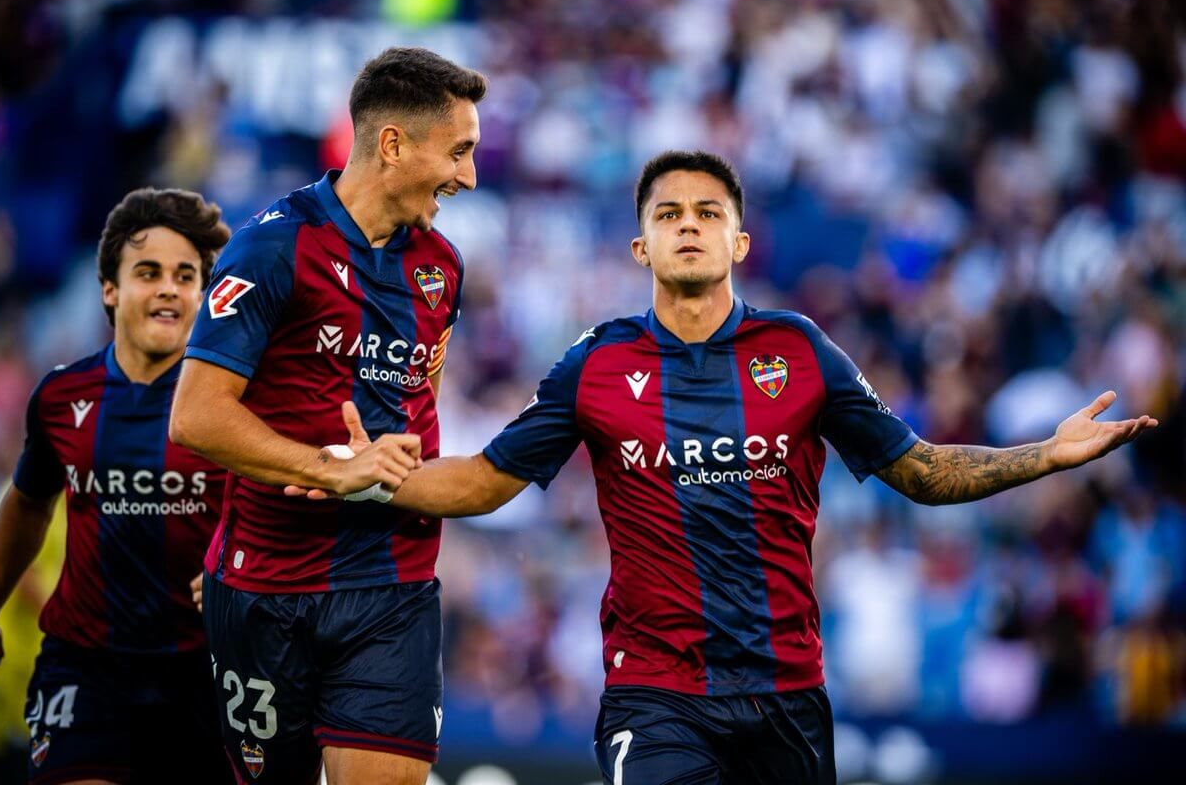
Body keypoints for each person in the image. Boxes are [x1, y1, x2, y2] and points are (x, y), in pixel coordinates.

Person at [302, 150, 1158, 785]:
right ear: (640, 247)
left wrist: (1045, 455)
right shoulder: (595, 364)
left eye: (707, 212)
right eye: (668, 213)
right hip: (654, 693)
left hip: (787, 692)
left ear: (739, 240)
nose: (687, 224)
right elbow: (485, 481)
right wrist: (367, 474)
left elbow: (922, 471)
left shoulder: (801, 352)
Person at [169, 47, 485, 785]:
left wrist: (402, 478)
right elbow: (196, 416)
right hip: (266, 584)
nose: (469, 176)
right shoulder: (272, 247)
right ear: (393, 144)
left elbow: (418, 406)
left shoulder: (442, 268)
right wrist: (326, 469)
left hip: (393, 584)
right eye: (458, 152)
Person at [0, 187, 233, 784]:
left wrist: (237, 565)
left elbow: (285, 505)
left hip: (207, 669)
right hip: (87, 666)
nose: (168, 288)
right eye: (148, 273)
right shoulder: (61, 396)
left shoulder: (236, 405)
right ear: (110, 290)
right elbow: (27, 504)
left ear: (202, 296)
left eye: (185, 276)